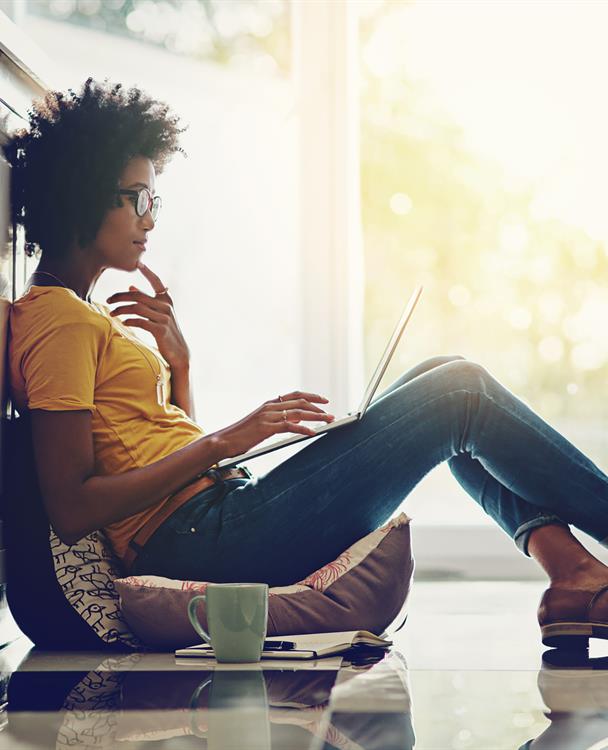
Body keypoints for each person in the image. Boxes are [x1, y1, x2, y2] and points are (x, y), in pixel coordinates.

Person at [5, 79, 608, 650]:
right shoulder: (59, 320)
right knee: (460, 392)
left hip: (216, 520)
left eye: (153, 199)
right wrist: (226, 440)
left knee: (444, 373)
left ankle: (573, 571)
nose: (150, 218)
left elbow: (155, 451)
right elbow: (72, 505)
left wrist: (180, 369)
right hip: (203, 541)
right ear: (85, 193)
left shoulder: (84, 316)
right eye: (138, 198)